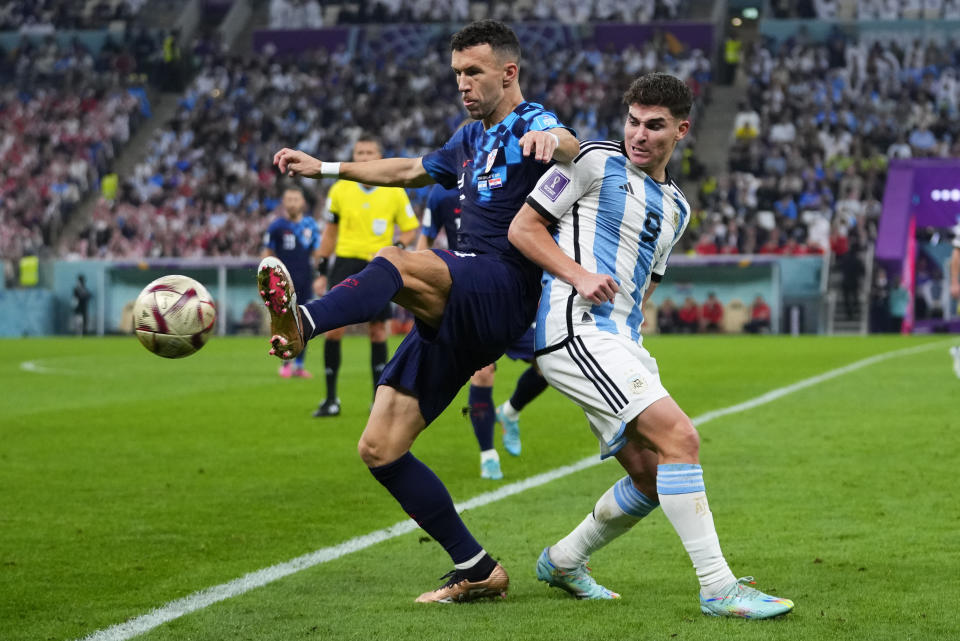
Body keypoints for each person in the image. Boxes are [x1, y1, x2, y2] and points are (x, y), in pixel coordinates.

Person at [262, 20, 579, 602]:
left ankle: (303, 321)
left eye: (474, 72)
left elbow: (572, 147)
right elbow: (407, 170)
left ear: (508, 73)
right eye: (457, 73)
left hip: (503, 284)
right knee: (380, 447)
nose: (462, 83)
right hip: (461, 304)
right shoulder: (468, 137)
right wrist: (326, 168)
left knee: (398, 260)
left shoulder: (533, 121)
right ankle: (477, 567)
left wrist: (552, 145)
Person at [508, 72, 794, 618]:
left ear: (682, 130)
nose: (639, 134)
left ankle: (563, 560)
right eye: (633, 122)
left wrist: (634, 335)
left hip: (621, 341)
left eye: (655, 126)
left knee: (650, 475)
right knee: (681, 439)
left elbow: (645, 286)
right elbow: (523, 230)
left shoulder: (679, 208)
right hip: (575, 328)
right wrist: (578, 274)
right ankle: (718, 588)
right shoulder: (589, 161)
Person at [417, 183, 549, 479]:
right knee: (483, 370)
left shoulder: (510, 178)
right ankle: (488, 455)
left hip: (514, 289)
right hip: (469, 291)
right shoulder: (440, 192)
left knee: (549, 366)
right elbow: (424, 240)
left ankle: (510, 411)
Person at [313, 135, 420, 417]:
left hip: (378, 264)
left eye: (370, 151)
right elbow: (330, 233)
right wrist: (322, 271)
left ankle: (378, 401)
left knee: (377, 331)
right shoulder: (339, 190)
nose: (364, 156)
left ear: (380, 156)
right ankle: (331, 399)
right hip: (345, 262)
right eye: (359, 152)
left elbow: (410, 229)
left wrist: (395, 248)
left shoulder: (395, 191)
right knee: (334, 329)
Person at [262, 186, 323, 378]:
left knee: (303, 324)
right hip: (282, 284)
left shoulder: (310, 226)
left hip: (305, 281)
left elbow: (316, 254)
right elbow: (268, 253)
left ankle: (299, 364)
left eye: (296, 199)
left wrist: (320, 275)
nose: (292, 203)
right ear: (283, 202)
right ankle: (285, 362)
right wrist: (266, 279)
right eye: (289, 199)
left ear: (302, 202)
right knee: (284, 325)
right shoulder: (277, 226)